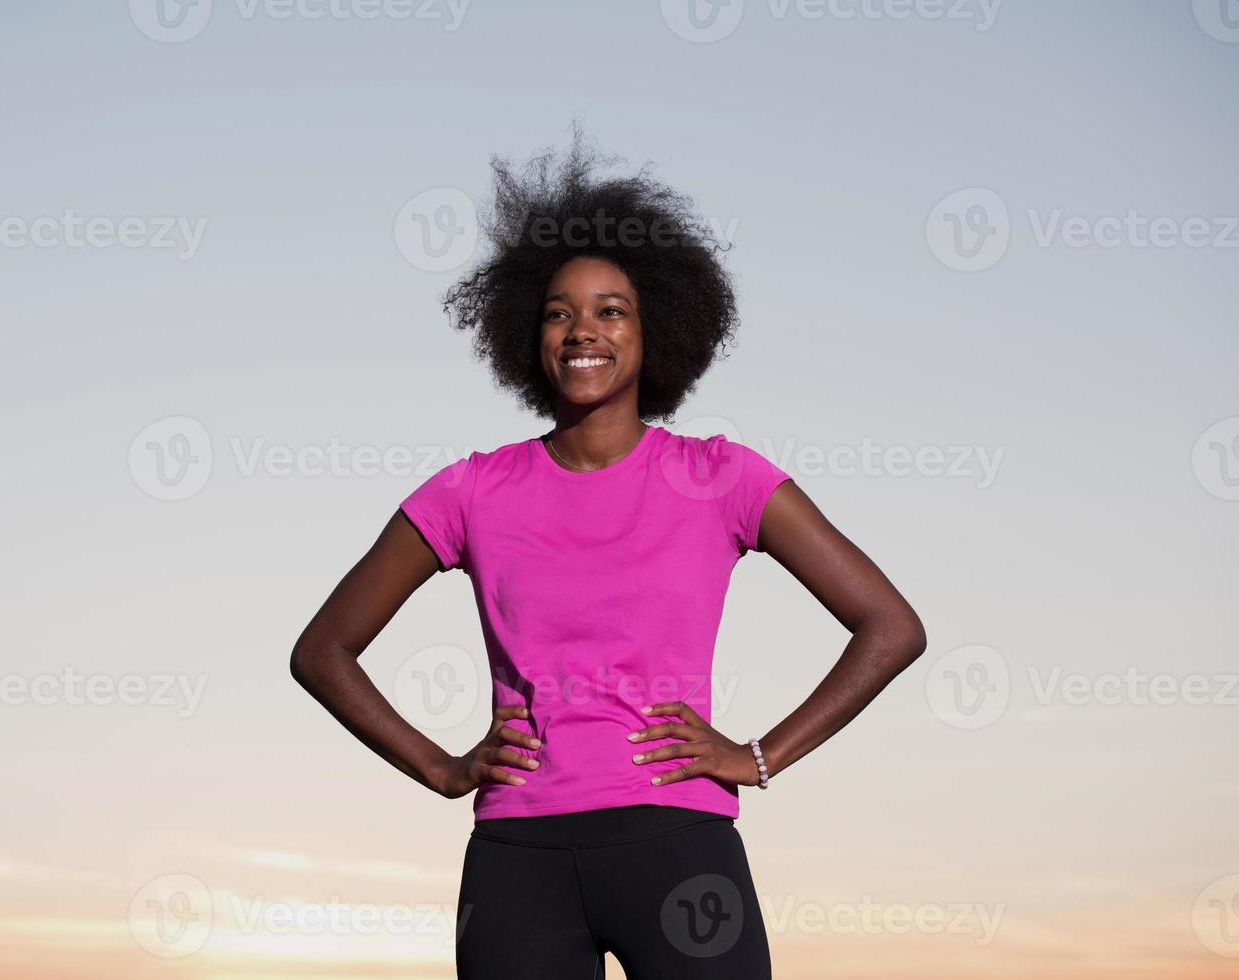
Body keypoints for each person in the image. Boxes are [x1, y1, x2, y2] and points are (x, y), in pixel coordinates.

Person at [290, 124, 927, 979]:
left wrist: (757, 756)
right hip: (518, 864)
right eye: (558, 313)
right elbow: (322, 651)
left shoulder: (722, 478)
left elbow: (890, 626)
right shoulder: (470, 492)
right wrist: (442, 769)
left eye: (609, 311)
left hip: (679, 848)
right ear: (528, 333)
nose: (580, 331)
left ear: (652, 329)